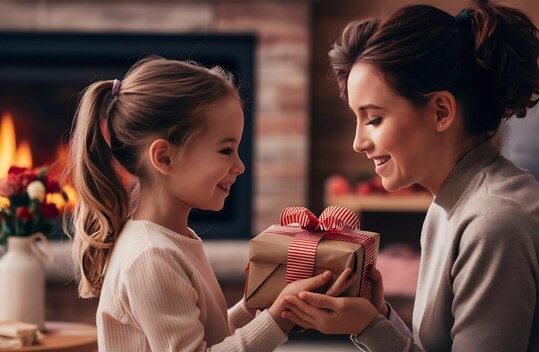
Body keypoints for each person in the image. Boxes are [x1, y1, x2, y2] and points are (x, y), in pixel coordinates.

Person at [280, 1, 539, 351]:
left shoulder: (496, 223)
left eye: (374, 118)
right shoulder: (451, 204)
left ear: (441, 111)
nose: (358, 143)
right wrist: (375, 319)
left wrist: (370, 327)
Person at [63, 56, 355, 351]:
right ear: (164, 158)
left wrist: (257, 305)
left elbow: (208, 335)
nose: (240, 166)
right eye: (226, 150)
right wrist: (278, 319)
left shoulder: (172, 240)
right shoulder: (151, 256)